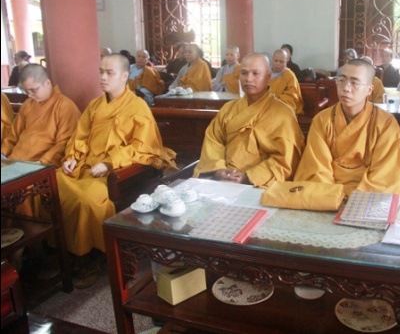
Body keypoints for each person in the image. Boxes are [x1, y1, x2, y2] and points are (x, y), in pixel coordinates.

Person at [57, 53, 177, 288]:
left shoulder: (137, 106)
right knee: (54, 184)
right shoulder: (94, 105)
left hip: (112, 173)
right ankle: (63, 249)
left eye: (109, 73)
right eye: (101, 71)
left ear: (125, 76)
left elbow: (144, 146)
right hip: (86, 167)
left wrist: (111, 162)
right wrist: (72, 157)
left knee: (87, 199)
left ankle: (90, 255)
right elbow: (80, 136)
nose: (103, 77)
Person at [294, 58, 400, 197]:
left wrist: (351, 197)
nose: (346, 88)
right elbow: (316, 170)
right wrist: (333, 198)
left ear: (369, 89)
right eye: (341, 80)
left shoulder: (386, 124)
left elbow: (386, 178)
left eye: (354, 82)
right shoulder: (322, 120)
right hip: (327, 197)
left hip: (366, 200)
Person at [193, 53, 305, 187]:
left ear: (268, 77)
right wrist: (218, 170)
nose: (248, 79)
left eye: (255, 73)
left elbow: (286, 159)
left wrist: (248, 177)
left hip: (261, 183)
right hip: (224, 179)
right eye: (244, 73)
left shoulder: (284, 114)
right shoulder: (228, 109)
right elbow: (213, 142)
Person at [1, 64, 81, 166]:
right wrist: (2, 154)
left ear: (47, 83)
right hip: (14, 161)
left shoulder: (65, 106)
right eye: (26, 91)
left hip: (40, 165)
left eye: (33, 90)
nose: (30, 95)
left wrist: (42, 163)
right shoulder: (27, 105)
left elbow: (64, 143)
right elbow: (13, 135)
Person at [269, 49, 304, 116]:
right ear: (272, 60)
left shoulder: (289, 75)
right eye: (275, 60)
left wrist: (275, 99)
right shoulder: (265, 73)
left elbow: (292, 96)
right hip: (265, 104)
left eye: (281, 62)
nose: (278, 64)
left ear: (286, 61)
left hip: (281, 105)